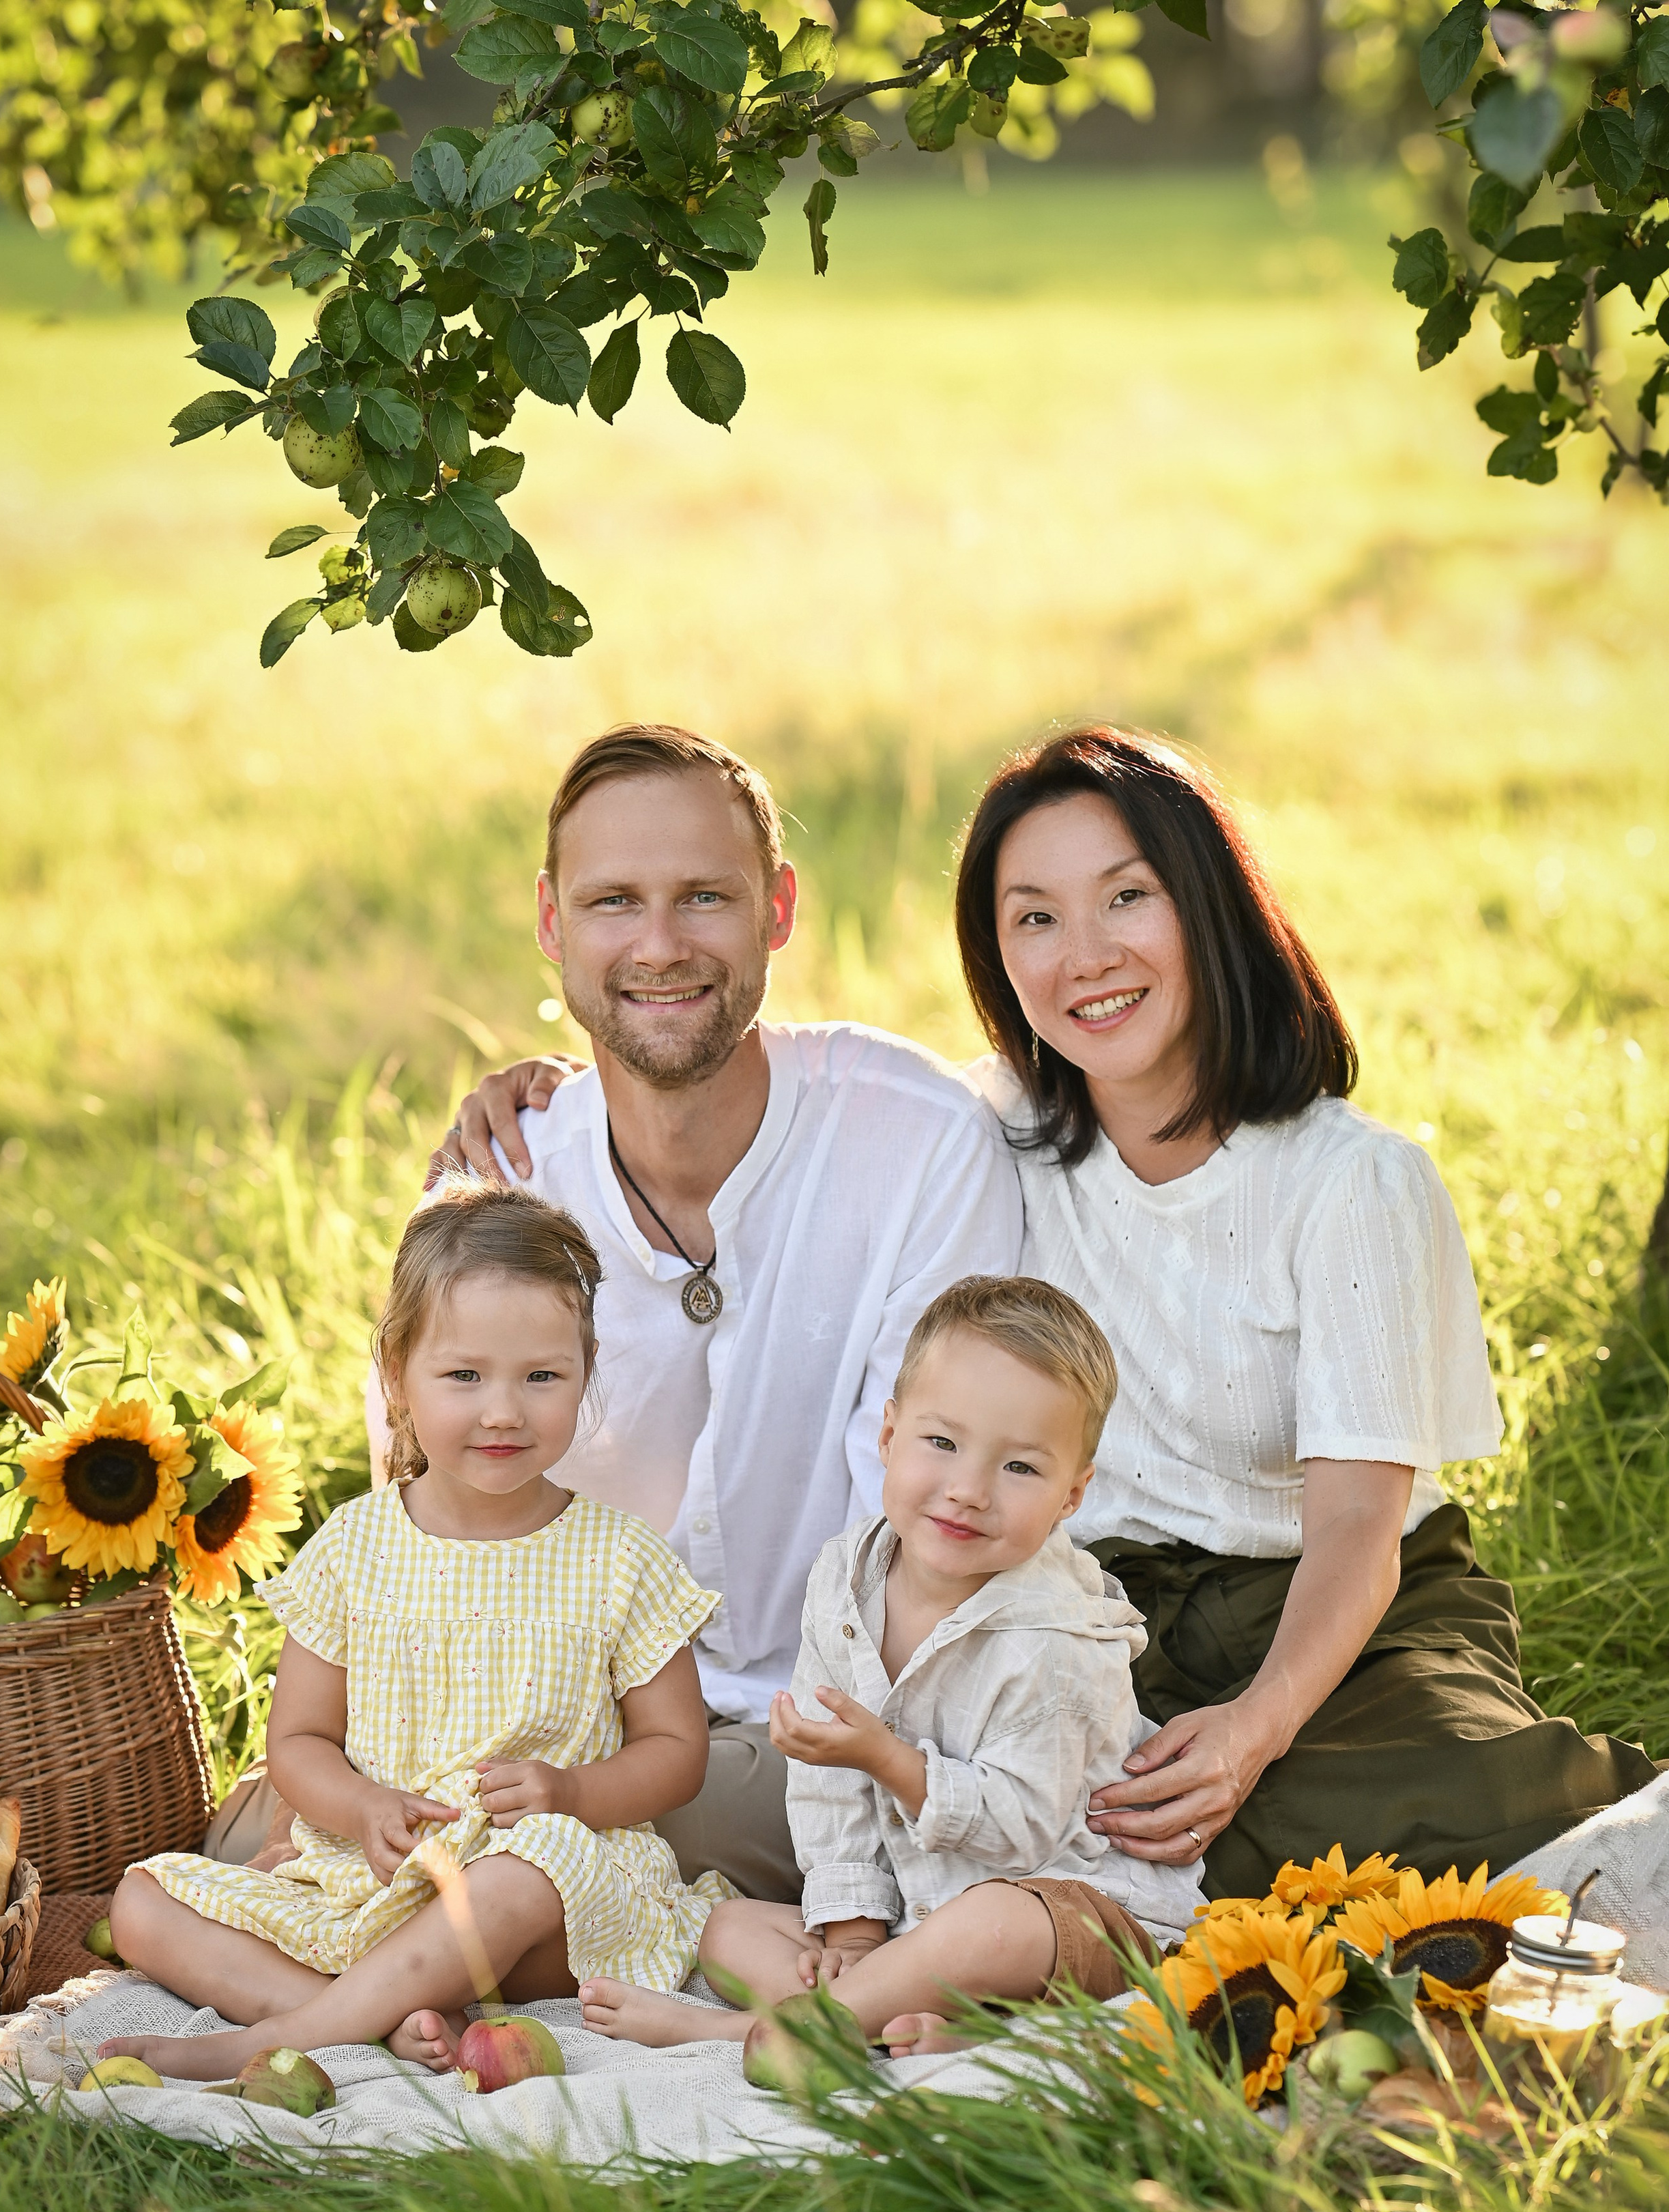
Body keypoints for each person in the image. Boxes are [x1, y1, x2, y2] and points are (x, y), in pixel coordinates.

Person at [230, 721, 1022, 1900]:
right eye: (613, 902)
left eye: (705, 895)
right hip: (531, 1727)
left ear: (778, 909)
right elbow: (425, 1517)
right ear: (553, 924)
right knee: (256, 1843)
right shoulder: (500, 1181)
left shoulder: (918, 1146)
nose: (660, 945)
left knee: (445, 1865)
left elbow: (917, 1549)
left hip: (825, 1733)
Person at [950, 724, 1656, 1900]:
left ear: (1211, 904)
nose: (1084, 956)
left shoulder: (1350, 1182)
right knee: (1069, 1810)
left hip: (1346, 1616)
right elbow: (791, 1101)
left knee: (1460, 1801)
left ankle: (1591, 1819)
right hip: (1105, 1618)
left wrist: (1250, 1728)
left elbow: (1353, 1532)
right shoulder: (984, 1135)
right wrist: (561, 1090)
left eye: (1128, 896)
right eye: (1035, 917)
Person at [98, 1180, 727, 2080]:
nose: (503, 1410)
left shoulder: (619, 1558)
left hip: (546, 1896)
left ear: (584, 1373)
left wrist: (573, 1795)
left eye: (541, 1376)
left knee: (514, 1877)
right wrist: (361, 1808)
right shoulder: (355, 1545)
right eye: (464, 1376)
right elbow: (300, 1740)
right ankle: (362, 2015)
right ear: (396, 1375)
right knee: (142, 1900)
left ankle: (272, 2039)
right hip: (374, 1879)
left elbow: (678, 1748)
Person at [579, 1275, 1202, 2053]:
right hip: (915, 1911)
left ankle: (757, 2030)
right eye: (941, 1443)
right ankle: (908, 2019)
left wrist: (891, 1759)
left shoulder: (1062, 1638)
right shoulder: (845, 1579)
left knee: (992, 1925)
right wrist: (855, 1935)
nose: (968, 1490)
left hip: (1065, 1914)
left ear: (1072, 1495)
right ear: (888, 1437)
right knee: (730, 1928)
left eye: (1020, 1469)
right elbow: (826, 1780)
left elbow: (1022, 1829)